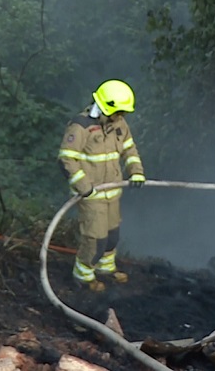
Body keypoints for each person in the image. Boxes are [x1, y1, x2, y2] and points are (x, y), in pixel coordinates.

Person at [58, 79, 146, 292]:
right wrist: (84, 186)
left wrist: (136, 172)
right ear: (107, 107)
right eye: (120, 112)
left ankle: (106, 269)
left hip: (112, 192)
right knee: (95, 239)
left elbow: (129, 150)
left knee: (112, 235)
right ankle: (84, 276)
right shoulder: (81, 127)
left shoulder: (119, 125)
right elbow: (66, 159)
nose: (122, 117)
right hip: (92, 195)